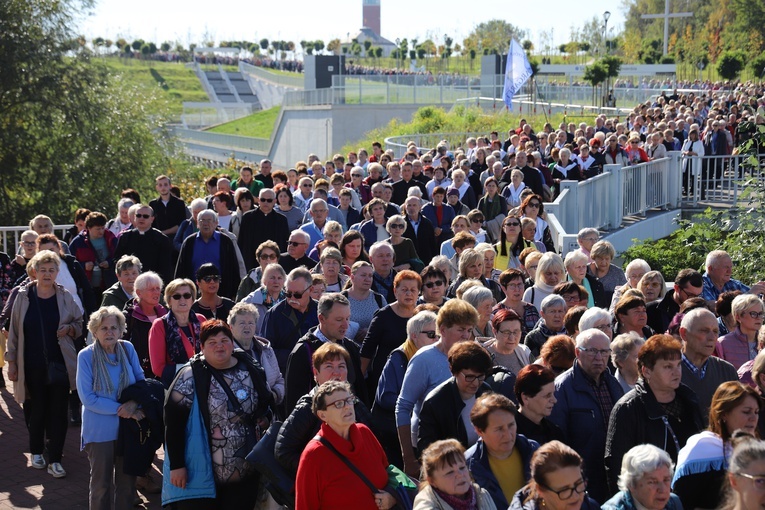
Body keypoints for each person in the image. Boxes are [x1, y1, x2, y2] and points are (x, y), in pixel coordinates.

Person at [163, 320, 272, 509]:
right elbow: (173, 424)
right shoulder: (190, 377)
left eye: (224, 340)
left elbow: (266, 403)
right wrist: (176, 465)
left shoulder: (249, 368)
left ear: (232, 343)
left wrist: (265, 419)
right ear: (202, 347)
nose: (219, 346)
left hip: (246, 470)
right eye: (212, 342)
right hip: (202, 472)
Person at [6, 250, 83, 478]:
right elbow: (14, 333)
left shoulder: (66, 296)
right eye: (43, 270)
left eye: (52, 270)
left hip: (59, 363)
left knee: (58, 412)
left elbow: (80, 323)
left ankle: (56, 459)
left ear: (57, 273)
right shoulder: (22, 296)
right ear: (34, 272)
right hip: (30, 364)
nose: (47, 274)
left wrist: (69, 329)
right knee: (36, 409)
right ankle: (37, 450)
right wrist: (11, 362)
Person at [605, 334, 704, 496]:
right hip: (649, 498)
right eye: (667, 367)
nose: (676, 372)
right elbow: (617, 466)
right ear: (646, 371)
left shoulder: (689, 400)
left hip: (691, 497)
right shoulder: (628, 408)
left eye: (678, 365)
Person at [397, 299, 478, 477]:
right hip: (432, 451)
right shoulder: (424, 359)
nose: (466, 335)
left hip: (471, 453)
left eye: (469, 330)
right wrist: (408, 458)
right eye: (460, 329)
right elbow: (403, 407)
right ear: (442, 330)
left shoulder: (473, 355)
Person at [77, 306, 146, 509]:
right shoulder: (86, 356)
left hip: (128, 429)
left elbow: (141, 382)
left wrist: (134, 404)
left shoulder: (127, 348)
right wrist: (124, 410)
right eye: (104, 328)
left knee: (127, 486)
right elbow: (88, 399)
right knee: (101, 486)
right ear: (94, 331)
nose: (109, 332)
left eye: (114, 328)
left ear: (120, 329)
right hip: (100, 431)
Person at [549, 329, 624, 503]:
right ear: (577, 352)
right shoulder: (562, 388)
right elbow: (557, 441)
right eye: (592, 351)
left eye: (604, 351)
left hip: (613, 478)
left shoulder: (612, 383)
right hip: (581, 481)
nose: (599, 357)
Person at [294, 380, 396, 510]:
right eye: (338, 404)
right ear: (322, 415)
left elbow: (390, 475)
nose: (347, 406)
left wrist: (392, 497)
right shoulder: (313, 455)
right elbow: (304, 506)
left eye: (349, 400)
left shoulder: (365, 433)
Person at [672, 381, 760, 510]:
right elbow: (685, 501)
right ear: (724, 414)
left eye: (756, 412)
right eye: (746, 412)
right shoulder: (701, 448)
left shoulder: (757, 451)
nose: (753, 418)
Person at [373, 310, 438, 467]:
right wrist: (414, 400)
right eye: (430, 334)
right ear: (414, 336)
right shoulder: (399, 357)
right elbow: (385, 396)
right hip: (393, 434)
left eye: (438, 335)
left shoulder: (434, 356)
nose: (436, 339)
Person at [284, 293, 367, 414]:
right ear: (321, 318)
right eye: (339, 319)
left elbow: (360, 391)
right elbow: (294, 405)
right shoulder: (303, 351)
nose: (346, 325)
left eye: (348, 318)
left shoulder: (350, 348)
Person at [465, 393, 540, 509]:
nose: (508, 434)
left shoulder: (534, 451)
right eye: (499, 429)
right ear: (479, 431)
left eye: (511, 425)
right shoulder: (467, 465)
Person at [418, 342, 494, 454]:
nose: (476, 383)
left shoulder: (486, 391)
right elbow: (427, 449)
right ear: (454, 371)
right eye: (469, 377)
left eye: (481, 376)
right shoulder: (435, 402)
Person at [361, 270, 420, 395]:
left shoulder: (422, 315)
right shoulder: (383, 316)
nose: (408, 293)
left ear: (418, 292)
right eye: (404, 289)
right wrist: (359, 383)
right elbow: (367, 350)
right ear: (395, 291)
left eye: (413, 290)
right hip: (386, 378)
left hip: (415, 375)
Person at [680, 308, 739, 424]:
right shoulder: (667, 370)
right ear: (684, 334)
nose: (712, 337)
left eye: (715, 331)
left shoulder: (727, 371)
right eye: (704, 331)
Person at [259, 267, 319, 375]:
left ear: (310, 290)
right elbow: (266, 352)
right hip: (287, 374)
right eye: (288, 293)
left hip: (317, 372)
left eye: (297, 295)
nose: (292, 298)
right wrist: (297, 356)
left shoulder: (321, 311)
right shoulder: (274, 314)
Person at [508, 440, 600, 510]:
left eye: (579, 484)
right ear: (540, 490)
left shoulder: (591, 507)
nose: (575, 496)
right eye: (565, 490)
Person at [148, 278, 206, 387]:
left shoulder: (201, 320)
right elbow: (158, 368)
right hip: (176, 386)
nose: (182, 299)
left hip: (205, 381)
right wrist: (191, 371)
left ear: (192, 299)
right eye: (177, 296)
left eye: (187, 295)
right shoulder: (159, 325)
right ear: (169, 301)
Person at [174, 210, 242, 300]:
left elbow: (234, 268)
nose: (205, 223)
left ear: (216, 223)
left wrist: (234, 293)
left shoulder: (225, 241)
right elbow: (181, 268)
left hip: (222, 293)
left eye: (209, 220)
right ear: (197, 224)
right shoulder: (189, 242)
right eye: (202, 221)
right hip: (193, 294)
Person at [227, 302, 284, 407]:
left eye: (251, 323)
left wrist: (274, 395)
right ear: (231, 327)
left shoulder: (266, 350)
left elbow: (279, 380)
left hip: (267, 414)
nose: (247, 327)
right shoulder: (226, 353)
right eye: (242, 323)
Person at [414, 439, 498, 510]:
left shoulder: (482, 495)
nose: (460, 474)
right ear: (432, 481)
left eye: (462, 468)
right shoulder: (425, 505)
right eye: (450, 472)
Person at [602, 444, 683, 510]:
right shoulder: (613, 508)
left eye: (666, 480)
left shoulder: (674, 503)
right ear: (631, 484)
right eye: (652, 482)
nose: (662, 490)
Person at [113, 204, 174, 284]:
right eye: (138, 215)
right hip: (130, 281)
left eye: (145, 216)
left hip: (152, 283)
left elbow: (166, 268)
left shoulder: (161, 239)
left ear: (152, 219)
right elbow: (116, 260)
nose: (141, 218)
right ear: (134, 217)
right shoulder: (125, 237)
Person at [123, 271, 166, 379]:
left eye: (158, 288)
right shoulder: (128, 317)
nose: (156, 292)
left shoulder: (166, 315)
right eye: (151, 289)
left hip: (163, 373)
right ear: (139, 293)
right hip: (137, 374)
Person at [238, 188, 289, 271]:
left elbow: (284, 244)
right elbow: (242, 242)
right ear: (258, 200)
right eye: (263, 200)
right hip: (251, 262)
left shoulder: (281, 220)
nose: (265, 202)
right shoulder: (248, 218)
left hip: (274, 263)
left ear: (274, 201)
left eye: (269, 200)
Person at [69, 211, 118, 297]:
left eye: (103, 228)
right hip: (87, 285)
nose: (101, 231)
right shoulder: (78, 242)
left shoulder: (110, 237)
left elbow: (119, 256)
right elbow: (69, 262)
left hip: (108, 282)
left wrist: (109, 262)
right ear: (88, 228)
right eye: (98, 229)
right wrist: (84, 265)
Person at [514, 365, 563, 446]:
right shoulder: (510, 434)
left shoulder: (554, 433)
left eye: (553, 394)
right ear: (525, 398)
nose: (554, 400)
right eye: (547, 395)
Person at [646, 268, 704, 334]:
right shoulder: (651, 310)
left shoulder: (701, 311)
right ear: (677, 288)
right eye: (690, 295)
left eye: (698, 295)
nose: (694, 299)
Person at [717, 294, 765, 370]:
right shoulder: (723, 344)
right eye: (753, 314)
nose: (758, 318)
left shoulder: (763, 340)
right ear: (738, 317)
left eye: (761, 313)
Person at [494, 269, 540, 341]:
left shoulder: (531, 309)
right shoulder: (497, 311)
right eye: (512, 285)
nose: (517, 289)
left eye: (520, 285)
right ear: (504, 288)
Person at [484, 308, 534, 373]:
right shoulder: (483, 355)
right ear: (495, 332)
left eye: (516, 332)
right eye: (506, 332)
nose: (512, 338)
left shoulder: (525, 352)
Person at [586, 240, 626, 306]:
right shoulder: (585, 270)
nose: (604, 262)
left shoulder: (618, 273)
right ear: (594, 257)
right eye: (600, 258)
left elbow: (625, 294)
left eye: (607, 259)